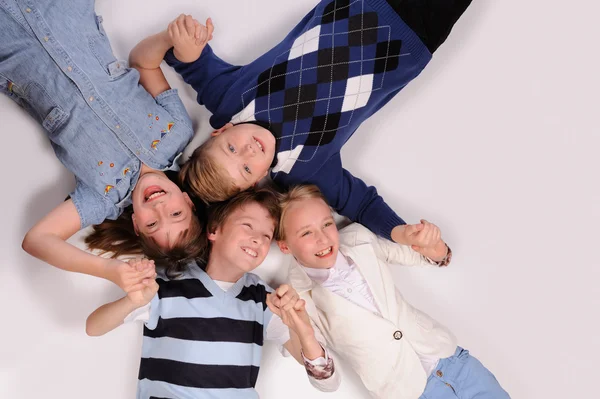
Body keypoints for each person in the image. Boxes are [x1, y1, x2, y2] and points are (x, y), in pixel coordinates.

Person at [132, 0, 472, 247]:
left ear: (221, 130)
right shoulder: (303, 169)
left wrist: (182, 40)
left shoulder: (228, 99)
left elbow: (176, 55)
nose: (249, 150)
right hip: (415, 35)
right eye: (247, 167)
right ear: (255, 183)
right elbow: (360, 203)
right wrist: (402, 233)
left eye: (232, 148)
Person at [0, 1, 206, 291]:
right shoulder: (176, 132)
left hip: (9, 44)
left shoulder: (102, 198)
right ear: (187, 200)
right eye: (175, 214)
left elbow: (37, 240)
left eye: (152, 225)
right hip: (62, 11)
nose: (159, 208)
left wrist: (111, 271)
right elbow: (144, 63)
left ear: (136, 224)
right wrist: (169, 39)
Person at [86, 188, 340, 398]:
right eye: (247, 226)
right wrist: (132, 301)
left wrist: (304, 330)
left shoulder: (264, 301)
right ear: (214, 230)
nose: (257, 240)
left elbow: (327, 383)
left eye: (266, 235)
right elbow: (93, 327)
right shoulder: (168, 287)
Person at [275, 184, 510, 399]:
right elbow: (328, 383)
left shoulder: (358, 238)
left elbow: (421, 254)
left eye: (326, 224)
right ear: (285, 246)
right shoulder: (297, 300)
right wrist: (304, 332)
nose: (323, 237)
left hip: (453, 362)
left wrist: (433, 244)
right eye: (306, 233)